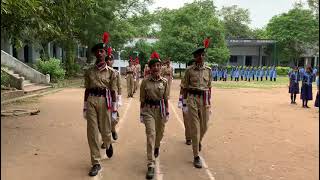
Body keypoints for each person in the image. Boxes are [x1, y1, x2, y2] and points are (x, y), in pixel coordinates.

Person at [83, 42, 117, 176]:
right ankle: (95, 162)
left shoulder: (112, 72)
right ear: (94, 53)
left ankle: (108, 143)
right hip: (91, 99)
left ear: (105, 53)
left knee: (105, 129)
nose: (99, 53)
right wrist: (85, 106)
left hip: (105, 101)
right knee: (92, 131)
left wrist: (114, 109)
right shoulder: (89, 71)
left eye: (102, 51)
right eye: (97, 51)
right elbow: (87, 89)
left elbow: (113, 91)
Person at [181, 46, 212, 169]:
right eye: (199, 55)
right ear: (195, 57)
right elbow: (184, 86)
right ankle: (196, 156)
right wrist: (183, 102)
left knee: (204, 126)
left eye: (203, 55)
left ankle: (198, 141)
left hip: (204, 99)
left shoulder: (208, 70)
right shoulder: (189, 70)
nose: (201, 57)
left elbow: (209, 87)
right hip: (192, 98)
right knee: (195, 126)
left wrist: (209, 102)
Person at [140, 51, 169, 179]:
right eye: (154, 66)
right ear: (150, 68)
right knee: (151, 134)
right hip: (148, 111)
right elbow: (142, 99)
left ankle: (157, 146)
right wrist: (141, 114)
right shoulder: (145, 82)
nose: (156, 68)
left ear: (160, 67)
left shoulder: (165, 81)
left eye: (158, 65)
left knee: (160, 133)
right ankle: (150, 164)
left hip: (161, 110)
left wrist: (167, 112)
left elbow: (166, 98)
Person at [104, 47, 122, 142]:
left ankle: (113, 129)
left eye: (110, 60)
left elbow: (119, 86)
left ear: (113, 61)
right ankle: (105, 140)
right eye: (107, 59)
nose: (109, 61)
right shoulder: (102, 72)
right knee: (104, 118)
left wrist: (120, 98)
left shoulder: (116, 72)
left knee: (114, 118)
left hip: (113, 98)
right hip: (104, 97)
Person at [179, 60, 195, 145]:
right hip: (187, 99)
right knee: (187, 119)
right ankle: (188, 138)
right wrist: (181, 101)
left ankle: (196, 137)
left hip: (196, 100)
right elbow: (182, 89)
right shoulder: (185, 76)